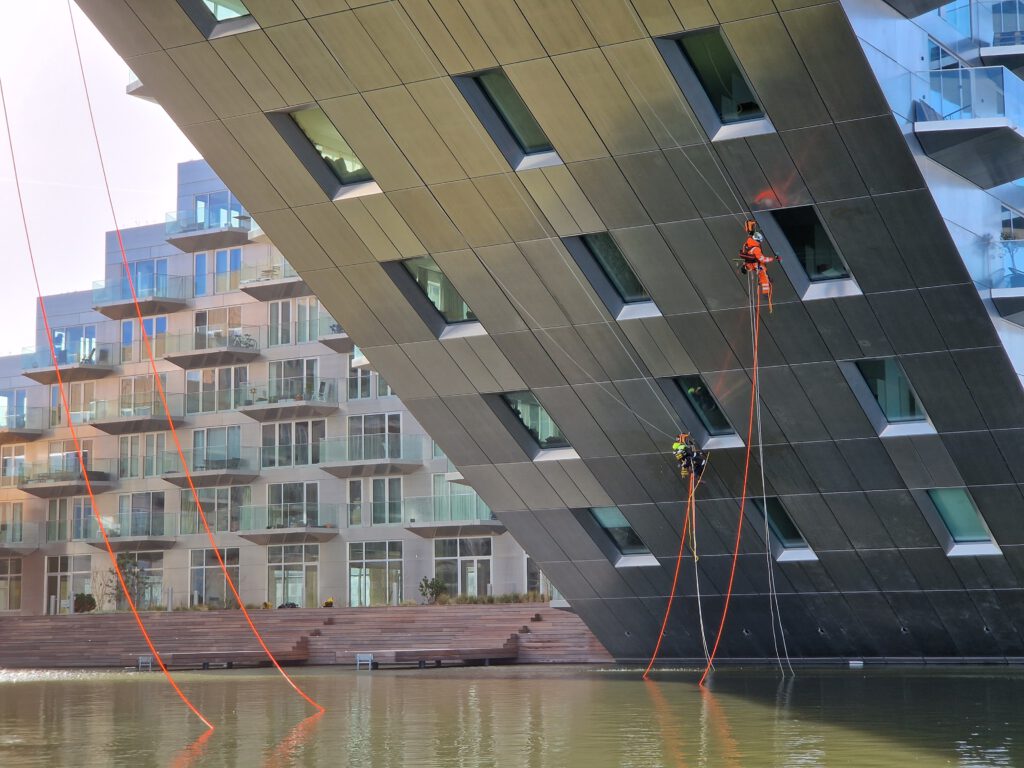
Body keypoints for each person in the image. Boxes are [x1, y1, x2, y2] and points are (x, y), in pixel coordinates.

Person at [738, 220, 779, 308]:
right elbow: (762, 259)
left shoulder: (747, 243)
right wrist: (772, 259)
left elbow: (750, 235)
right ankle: (766, 294)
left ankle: (746, 267)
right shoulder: (756, 249)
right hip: (755, 264)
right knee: (763, 276)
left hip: (749, 263)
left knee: (761, 270)